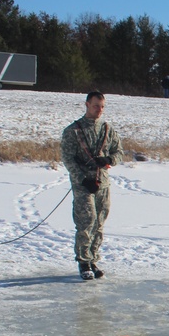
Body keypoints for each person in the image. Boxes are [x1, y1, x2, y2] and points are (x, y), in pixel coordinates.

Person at [60, 91, 124, 280]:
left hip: (102, 182)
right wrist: (81, 178)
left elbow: (119, 151)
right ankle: (83, 261)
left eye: (102, 106)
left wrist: (110, 158)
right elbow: (68, 158)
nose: (99, 110)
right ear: (87, 105)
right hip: (83, 183)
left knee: (99, 222)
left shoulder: (107, 129)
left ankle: (94, 258)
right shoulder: (73, 131)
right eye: (96, 106)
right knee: (86, 220)